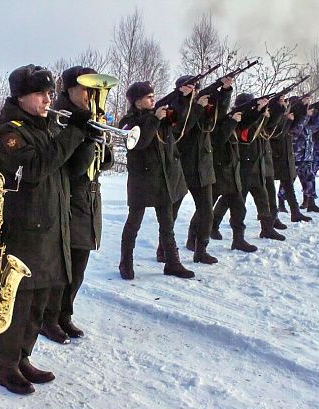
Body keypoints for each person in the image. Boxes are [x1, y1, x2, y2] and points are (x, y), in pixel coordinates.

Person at [0, 64, 90, 395]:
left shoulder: (47, 126)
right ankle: (7, 367)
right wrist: (72, 133)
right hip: (25, 231)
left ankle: (23, 357)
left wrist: (87, 139)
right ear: (21, 96)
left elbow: (71, 169)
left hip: (50, 227)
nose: (48, 99)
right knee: (19, 303)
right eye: (41, 94)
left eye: (50, 93)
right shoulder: (10, 131)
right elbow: (35, 167)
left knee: (39, 303)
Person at [40, 66, 114, 344]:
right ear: (69, 89)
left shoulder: (91, 117)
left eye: (95, 89)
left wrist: (101, 139)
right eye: (86, 88)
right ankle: (48, 319)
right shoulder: (59, 119)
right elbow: (71, 168)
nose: (92, 94)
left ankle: (64, 315)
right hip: (68, 198)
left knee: (79, 265)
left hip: (89, 199)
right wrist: (85, 139)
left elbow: (105, 163)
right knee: (62, 266)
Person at [118, 81, 195, 280]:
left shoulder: (158, 115)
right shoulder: (127, 122)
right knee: (133, 224)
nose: (153, 99)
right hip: (141, 181)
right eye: (148, 97)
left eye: (153, 96)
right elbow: (140, 142)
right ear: (137, 102)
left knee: (167, 225)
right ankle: (125, 262)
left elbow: (179, 117)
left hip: (162, 180)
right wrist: (155, 120)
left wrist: (183, 96)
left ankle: (172, 262)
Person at [171, 76, 232, 264]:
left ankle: (201, 249)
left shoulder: (202, 104)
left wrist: (225, 91)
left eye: (196, 87)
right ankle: (163, 248)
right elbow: (181, 127)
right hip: (182, 164)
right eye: (190, 88)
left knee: (206, 210)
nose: (194, 91)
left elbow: (219, 116)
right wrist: (195, 106)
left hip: (203, 164)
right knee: (171, 212)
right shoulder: (175, 106)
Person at [212, 93, 285, 242]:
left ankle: (267, 228)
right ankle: (214, 224)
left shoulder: (253, 117)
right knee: (231, 201)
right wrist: (260, 113)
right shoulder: (240, 120)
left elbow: (270, 125)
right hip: (243, 166)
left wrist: (278, 108)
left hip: (255, 164)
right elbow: (250, 132)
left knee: (263, 199)